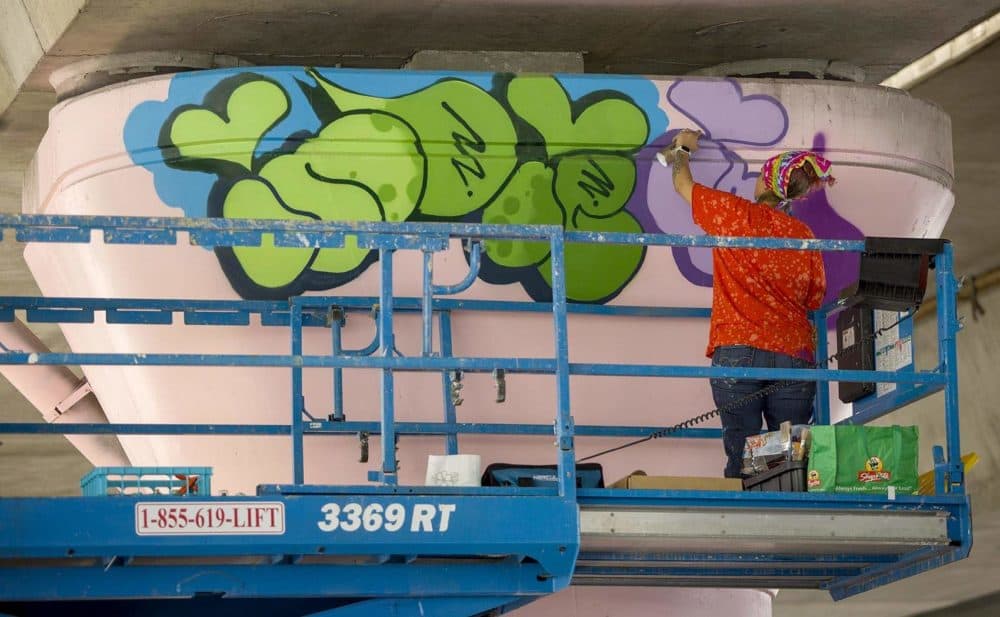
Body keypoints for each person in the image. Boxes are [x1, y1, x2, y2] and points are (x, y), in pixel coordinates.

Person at [658, 130, 833, 478]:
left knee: (743, 464)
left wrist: (681, 148)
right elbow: (815, 296)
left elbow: (681, 183)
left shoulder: (733, 214)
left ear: (767, 181)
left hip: (738, 352)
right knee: (786, 467)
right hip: (793, 356)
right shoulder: (803, 236)